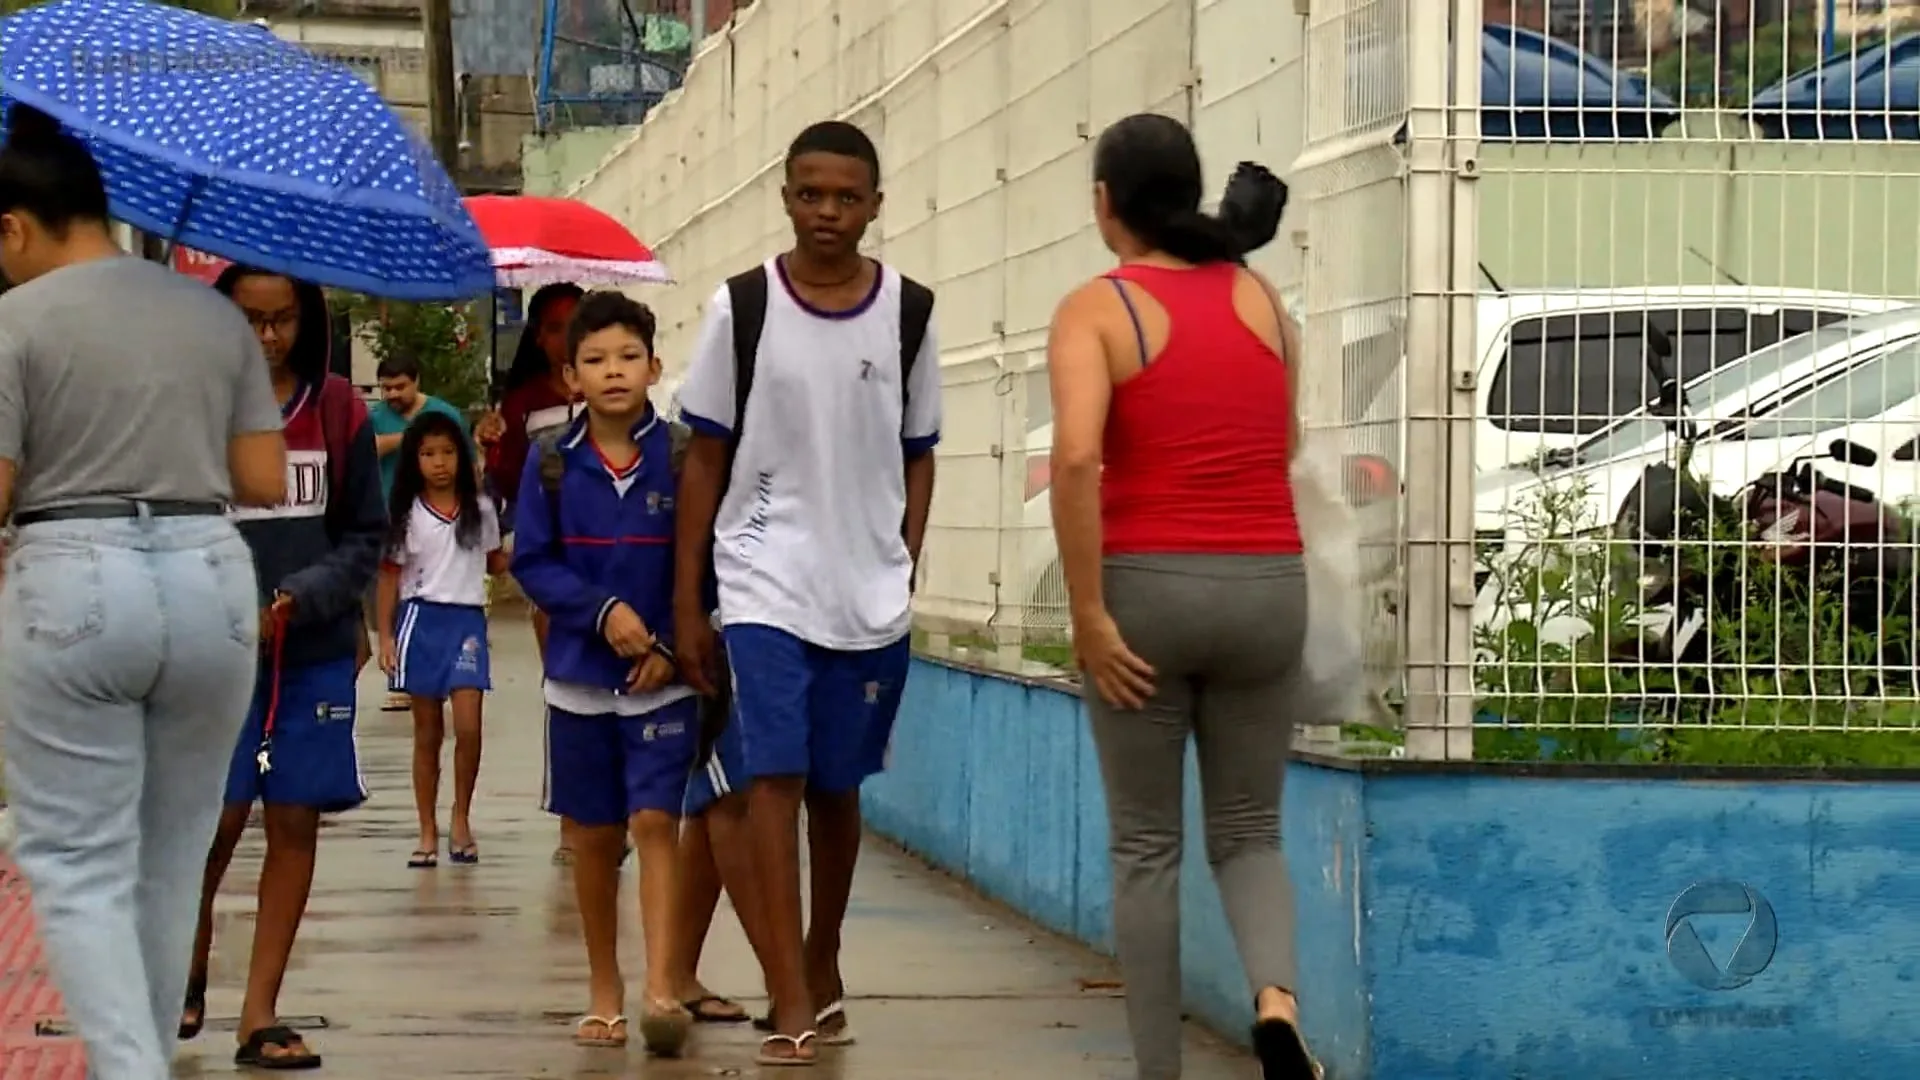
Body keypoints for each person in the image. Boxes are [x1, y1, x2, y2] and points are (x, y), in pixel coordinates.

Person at [0, 102, 288, 1079]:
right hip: (211, 576)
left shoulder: (13, 321)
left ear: (15, 224)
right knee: (172, 860)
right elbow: (259, 477)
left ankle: (132, 1072)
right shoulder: (211, 314)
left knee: (77, 862)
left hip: (71, 575)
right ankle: (146, 1057)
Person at [1045, 112, 1317, 1080]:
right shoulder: (1262, 298)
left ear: (1104, 203)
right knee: (1249, 833)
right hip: (1269, 592)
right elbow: (1283, 446)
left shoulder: (1097, 309)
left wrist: (1087, 615)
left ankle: (1159, 1071)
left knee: (1147, 847)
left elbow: (1078, 458)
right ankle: (1277, 1002)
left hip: (1147, 592)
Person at [674, 120, 941, 1066]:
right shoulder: (741, 308)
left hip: (867, 598)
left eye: (847, 197)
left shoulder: (911, 311)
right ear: (786, 197)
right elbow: (704, 458)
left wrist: (901, 559)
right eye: (809, 194)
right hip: (762, 584)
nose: (827, 213)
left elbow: (919, 456)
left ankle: (822, 958)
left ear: (874, 204)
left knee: (836, 790)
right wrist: (687, 600)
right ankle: (786, 991)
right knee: (770, 779)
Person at [181, 264, 385, 1070]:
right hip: (212, 657)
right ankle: (184, 963)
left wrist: (305, 595)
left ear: (307, 321)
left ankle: (259, 1013)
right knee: (214, 823)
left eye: (282, 321)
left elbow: (365, 535)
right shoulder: (192, 411)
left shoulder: (338, 410)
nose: (267, 338)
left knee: (293, 819)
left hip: (312, 654)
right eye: (249, 320)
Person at [510, 290, 695, 1056]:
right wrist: (603, 612)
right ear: (569, 377)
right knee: (593, 837)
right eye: (594, 360)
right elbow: (533, 561)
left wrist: (673, 649)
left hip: (667, 678)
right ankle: (603, 991)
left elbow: (708, 567)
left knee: (656, 821)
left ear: (654, 365)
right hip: (578, 677)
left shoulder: (685, 457)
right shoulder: (552, 460)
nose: (613, 372)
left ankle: (661, 989)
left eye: (627, 357)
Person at [474, 281, 583, 861]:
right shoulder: (520, 405)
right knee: (567, 687)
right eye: (554, 325)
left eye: (576, 321)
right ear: (537, 337)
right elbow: (503, 485)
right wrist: (488, 443)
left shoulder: (614, 385)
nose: (565, 336)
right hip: (552, 568)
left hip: (617, 563)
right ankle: (573, 820)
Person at [377, 410, 505, 868]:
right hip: (420, 621)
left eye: (448, 452)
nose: (439, 463)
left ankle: (462, 816)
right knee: (427, 733)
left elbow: (495, 563)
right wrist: (386, 637)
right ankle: (427, 828)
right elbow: (389, 578)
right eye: (428, 453)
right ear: (415, 459)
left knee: (469, 727)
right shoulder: (406, 513)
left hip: (467, 622)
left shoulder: (482, 509)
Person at [368, 351, 472, 711]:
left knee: (430, 595)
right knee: (394, 590)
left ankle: (441, 676)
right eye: (386, 388)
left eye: (400, 387)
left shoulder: (444, 414)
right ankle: (399, 675)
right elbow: (367, 450)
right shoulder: (377, 417)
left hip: (441, 519)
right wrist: (409, 437)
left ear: (417, 382)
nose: (392, 394)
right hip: (390, 518)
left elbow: (468, 462)